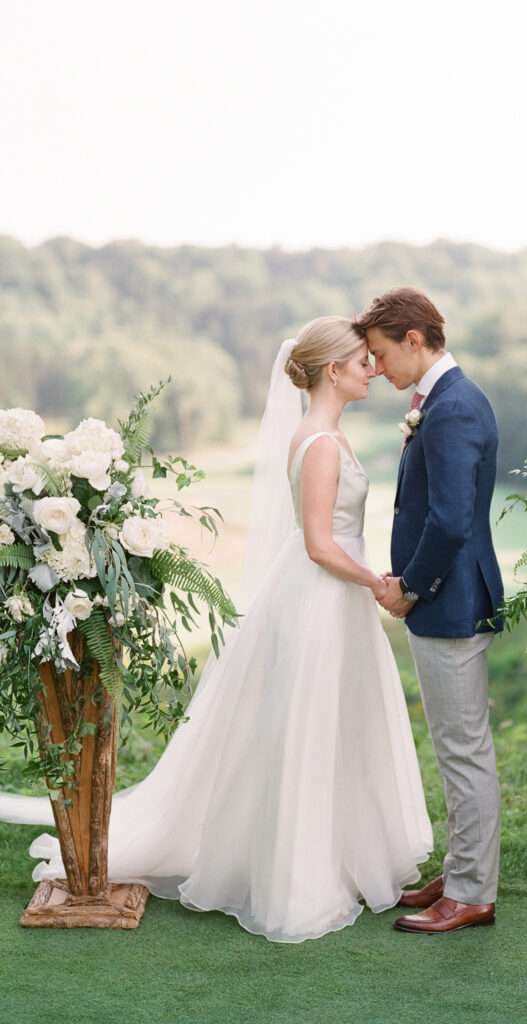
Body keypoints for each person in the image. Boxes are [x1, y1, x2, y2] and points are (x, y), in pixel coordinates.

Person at [0, 316, 432, 943]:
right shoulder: (317, 442)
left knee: (336, 726)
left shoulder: (325, 435)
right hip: (322, 598)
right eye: (362, 359)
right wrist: (377, 582)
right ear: (332, 371)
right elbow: (316, 544)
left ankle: (335, 856)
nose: (372, 367)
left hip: (335, 600)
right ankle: (296, 878)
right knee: (307, 728)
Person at [355, 288, 504, 934]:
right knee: (454, 747)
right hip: (445, 597)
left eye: (383, 355)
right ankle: (462, 866)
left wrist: (409, 588)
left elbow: (447, 521)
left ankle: (472, 891)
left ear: (415, 339)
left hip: (448, 600)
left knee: (464, 750)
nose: (378, 368)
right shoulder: (444, 401)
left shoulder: (452, 410)